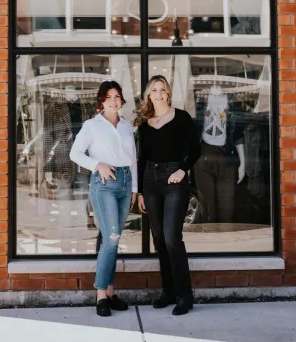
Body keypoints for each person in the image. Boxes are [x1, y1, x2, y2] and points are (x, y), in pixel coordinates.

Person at [70, 80, 138, 317]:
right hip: (104, 185)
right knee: (110, 238)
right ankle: (100, 295)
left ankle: (110, 292)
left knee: (114, 240)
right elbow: (74, 153)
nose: (114, 100)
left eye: (117, 96)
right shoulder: (92, 125)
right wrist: (97, 164)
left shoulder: (127, 127)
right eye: (109, 97)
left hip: (125, 182)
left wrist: (134, 189)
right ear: (101, 101)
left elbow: (132, 160)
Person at [136, 75, 201, 316]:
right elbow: (142, 158)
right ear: (149, 95)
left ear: (168, 93)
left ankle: (185, 295)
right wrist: (141, 191)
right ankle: (169, 291)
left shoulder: (181, 117)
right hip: (151, 181)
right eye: (155, 90)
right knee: (159, 240)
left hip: (175, 180)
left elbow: (195, 149)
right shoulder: (145, 123)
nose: (159, 94)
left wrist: (182, 170)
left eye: (163, 89)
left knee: (172, 237)